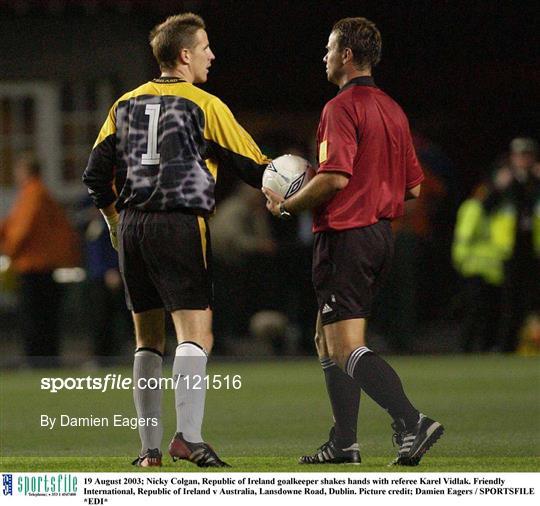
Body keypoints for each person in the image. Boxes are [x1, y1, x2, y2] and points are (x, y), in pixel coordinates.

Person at [83, 13, 270, 467]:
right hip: (177, 225)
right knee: (196, 335)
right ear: (184, 55)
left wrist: (112, 221)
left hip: (132, 227)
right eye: (205, 46)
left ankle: (148, 451)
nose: (211, 54)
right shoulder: (204, 104)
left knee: (147, 341)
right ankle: (188, 437)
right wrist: (297, 191)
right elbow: (258, 168)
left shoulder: (123, 104)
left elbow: (94, 175)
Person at [263, 17, 443, 466]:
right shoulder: (393, 109)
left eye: (328, 49)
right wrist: (372, 186)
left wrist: (287, 206)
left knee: (343, 347)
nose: (323, 57)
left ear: (346, 55)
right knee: (328, 340)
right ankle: (345, 443)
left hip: (346, 237)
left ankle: (411, 421)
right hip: (382, 235)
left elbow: (334, 178)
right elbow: (414, 188)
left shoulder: (339, 108)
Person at [0, 153, 80, 367]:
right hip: (44, 266)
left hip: (34, 267)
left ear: (25, 171)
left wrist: (8, 251)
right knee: (46, 317)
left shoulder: (33, 194)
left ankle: (37, 360)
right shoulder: (38, 194)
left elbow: (21, 229)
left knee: (34, 318)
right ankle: (47, 359)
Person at [486, 138, 540, 351]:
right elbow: (484, 207)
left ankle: (527, 345)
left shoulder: (535, 180)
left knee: (531, 300)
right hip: (508, 250)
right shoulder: (503, 179)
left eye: (528, 155)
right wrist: (498, 186)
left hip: (533, 248)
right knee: (507, 300)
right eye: (520, 155)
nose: (524, 159)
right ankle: (503, 344)